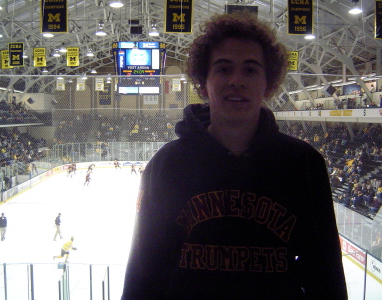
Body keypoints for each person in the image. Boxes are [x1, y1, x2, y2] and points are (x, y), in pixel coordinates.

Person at [122, 12, 347, 299]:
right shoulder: (167, 165)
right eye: (224, 69)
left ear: (268, 83)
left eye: (251, 70)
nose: (237, 81)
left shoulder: (303, 165)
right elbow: (145, 272)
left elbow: (325, 273)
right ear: (203, 82)